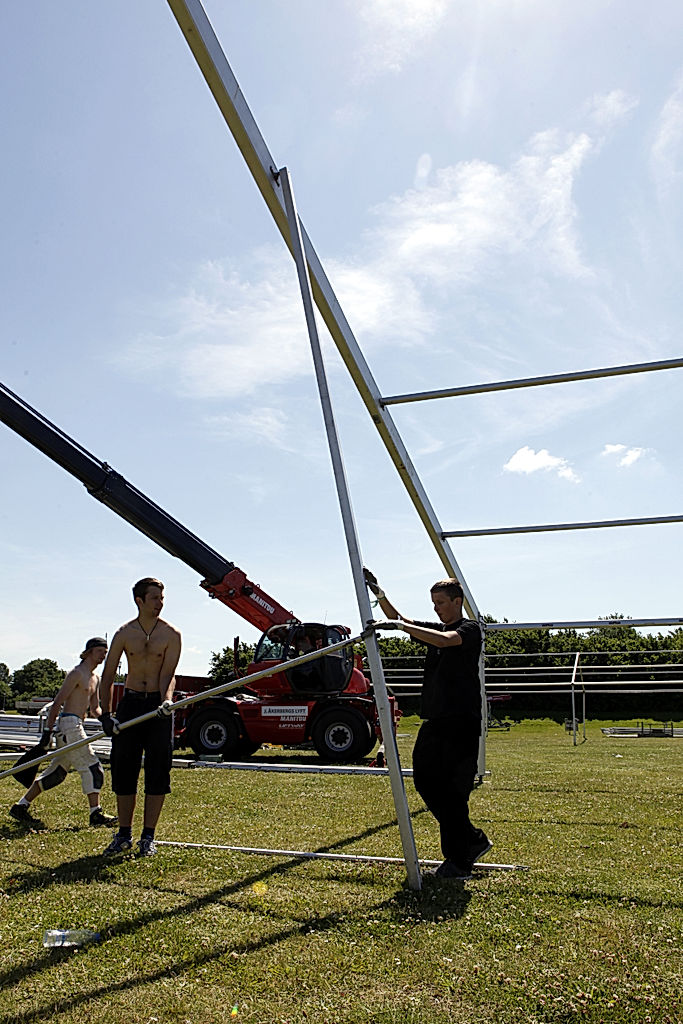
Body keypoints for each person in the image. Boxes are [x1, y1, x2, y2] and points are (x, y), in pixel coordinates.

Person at [364, 568, 491, 879]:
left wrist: (401, 626)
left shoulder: (470, 629)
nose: (436, 609)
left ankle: (459, 862)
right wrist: (380, 595)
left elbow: (446, 641)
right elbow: (401, 621)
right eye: (433, 604)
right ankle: (473, 840)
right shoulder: (436, 630)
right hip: (435, 721)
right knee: (425, 780)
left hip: (461, 722)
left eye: (441, 603)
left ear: (457, 602)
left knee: (454, 792)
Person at [99, 577, 181, 857]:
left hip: (158, 708)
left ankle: (148, 837)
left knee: (158, 771)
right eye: (155, 598)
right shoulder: (124, 633)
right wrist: (106, 714)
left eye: (162, 598)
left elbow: (168, 674)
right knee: (124, 770)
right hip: (130, 705)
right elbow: (108, 676)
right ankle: (123, 834)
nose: (160, 603)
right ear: (139, 601)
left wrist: (167, 700)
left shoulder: (171, 634)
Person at [9, 638, 117, 828]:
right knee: (93, 767)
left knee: (57, 773)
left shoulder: (95, 678)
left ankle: (21, 806)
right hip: (69, 725)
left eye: (105, 652)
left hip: (77, 725)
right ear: (89, 652)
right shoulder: (76, 673)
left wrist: (107, 719)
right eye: (100, 651)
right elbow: (57, 702)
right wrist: (47, 731)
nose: (103, 656)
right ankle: (96, 813)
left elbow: (94, 709)